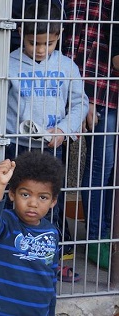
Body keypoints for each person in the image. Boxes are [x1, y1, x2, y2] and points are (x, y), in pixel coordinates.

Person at [6, 1, 88, 280]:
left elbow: (80, 104)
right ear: (21, 34)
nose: (41, 50)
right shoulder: (8, 64)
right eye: (33, 42)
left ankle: (51, 264)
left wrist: (63, 130)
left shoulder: (67, 66)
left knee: (47, 207)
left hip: (51, 150)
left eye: (49, 43)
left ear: (59, 35)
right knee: (17, 206)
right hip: (17, 148)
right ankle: (14, 262)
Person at [62, 0, 119, 270]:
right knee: (101, 166)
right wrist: (84, 98)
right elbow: (78, 46)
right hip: (100, 92)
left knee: (110, 169)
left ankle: (106, 235)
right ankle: (97, 237)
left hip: (110, 91)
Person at [0, 151, 63, 315]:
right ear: (12, 194)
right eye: (25, 194)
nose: (33, 203)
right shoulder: (6, 223)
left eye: (43, 197)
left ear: (53, 201)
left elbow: (51, 274)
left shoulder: (51, 232)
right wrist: (0, 184)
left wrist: (50, 310)